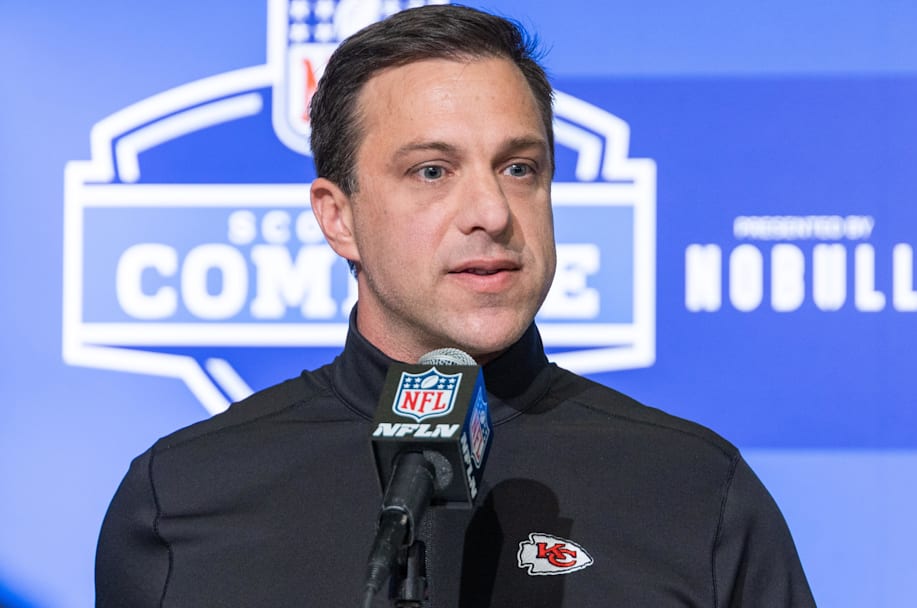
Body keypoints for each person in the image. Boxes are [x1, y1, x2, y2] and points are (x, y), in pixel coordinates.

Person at [95, 5, 815, 607]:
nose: (492, 212)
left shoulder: (693, 490)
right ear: (337, 217)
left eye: (519, 168)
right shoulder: (182, 498)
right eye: (432, 171)